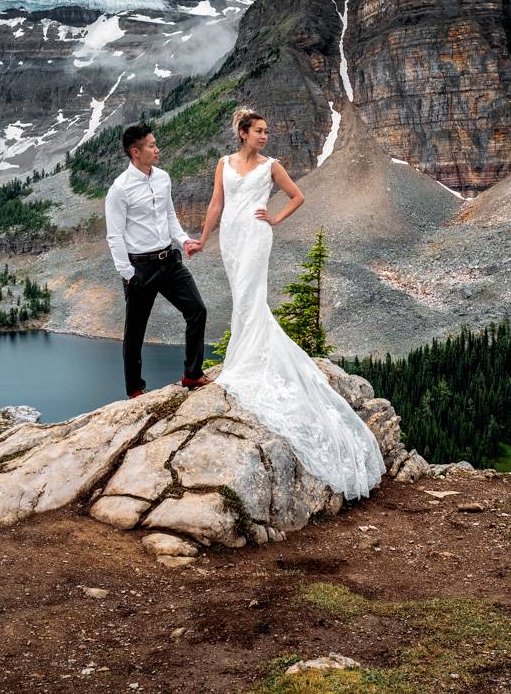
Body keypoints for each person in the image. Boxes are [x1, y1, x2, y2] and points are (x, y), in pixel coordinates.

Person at [193, 108, 383, 499]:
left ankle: (243, 363)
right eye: (259, 131)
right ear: (243, 133)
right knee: (242, 299)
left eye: (266, 131)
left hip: (258, 235)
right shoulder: (223, 164)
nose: (265, 136)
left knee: (250, 296)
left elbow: (299, 196)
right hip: (231, 237)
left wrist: (276, 217)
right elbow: (216, 204)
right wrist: (203, 238)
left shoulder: (271, 166)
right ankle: (246, 357)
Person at [104, 123, 207, 399]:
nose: (157, 148)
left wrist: (184, 240)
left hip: (169, 261)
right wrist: (128, 273)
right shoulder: (119, 190)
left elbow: (169, 215)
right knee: (135, 333)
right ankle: (135, 390)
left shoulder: (163, 177)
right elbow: (114, 236)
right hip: (140, 268)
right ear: (135, 152)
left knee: (197, 310)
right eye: (151, 145)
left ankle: (192, 374)